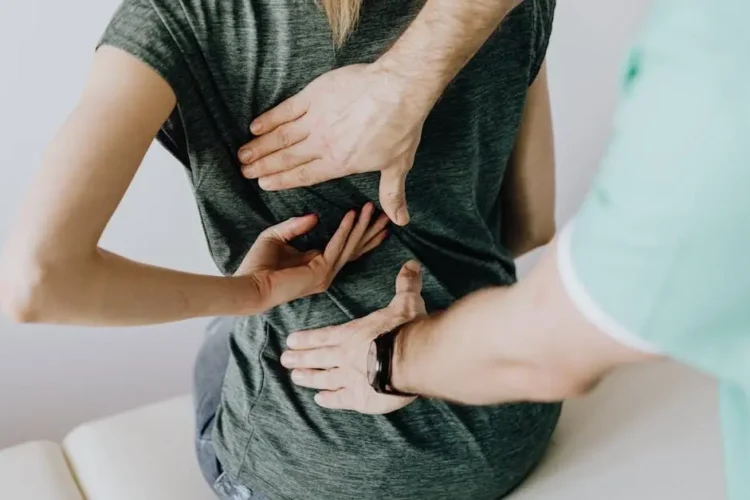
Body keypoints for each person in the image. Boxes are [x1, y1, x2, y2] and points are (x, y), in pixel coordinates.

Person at [0, 0, 561, 499]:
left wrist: (253, 291)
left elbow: (38, 282)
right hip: (508, 416)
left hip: (328, 471)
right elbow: (530, 227)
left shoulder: (176, 15)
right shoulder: (484, 9)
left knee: (222, 331)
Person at [253, 0, 748, 498]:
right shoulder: (523, 13)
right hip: (514, 427)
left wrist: (384, 356)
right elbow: (531, 227)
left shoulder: (718, 74)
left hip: (331, 470)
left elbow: (558, 347)